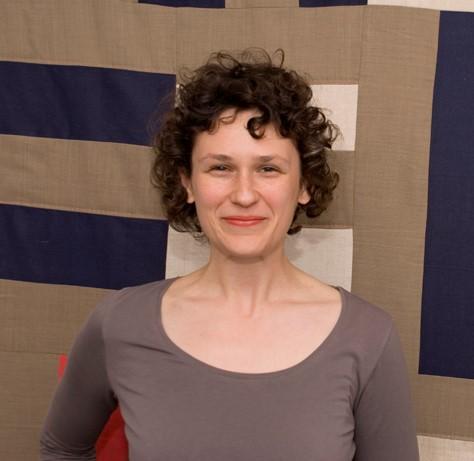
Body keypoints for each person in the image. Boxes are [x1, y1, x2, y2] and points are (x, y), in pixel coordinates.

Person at [39, 48, 420, 460]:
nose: (243, 194)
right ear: (188, 183)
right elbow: (61, 448)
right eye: (220, 167)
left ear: (304, 185)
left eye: (268, 168)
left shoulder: (367, 338)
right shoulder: (119, 323)